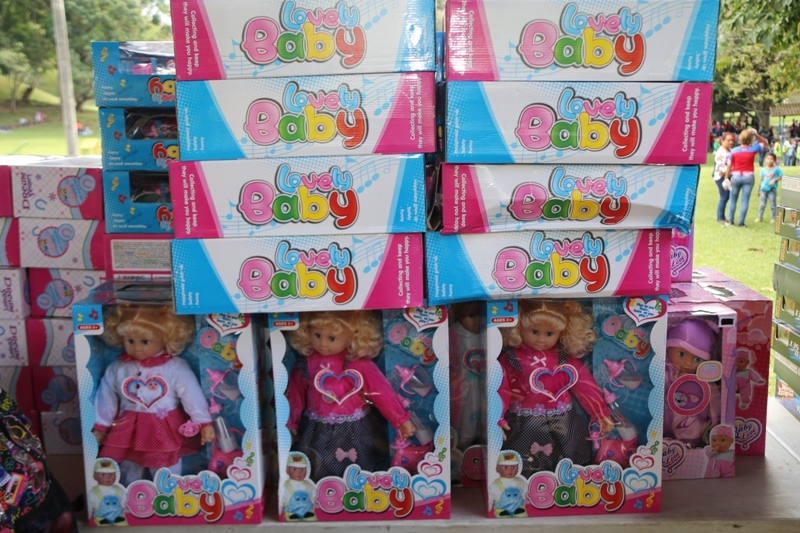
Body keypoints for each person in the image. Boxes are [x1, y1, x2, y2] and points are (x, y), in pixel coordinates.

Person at [286, 311, 415, 482]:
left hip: (355, 428)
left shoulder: (358, 364)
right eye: (317, 335)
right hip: (318, 427)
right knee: (318, 464)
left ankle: (357, 485)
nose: (323, 343)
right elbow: (295, 395)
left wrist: (400, 419)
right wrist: (291, 422)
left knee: (360, 462)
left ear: (353, 337)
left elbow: (382, 392)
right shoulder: (306, 365)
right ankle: (324, 488)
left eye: (332, 338)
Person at [92, 305, 215, 485]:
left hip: (163, 426)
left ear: (165, 338)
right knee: (128, 464)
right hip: (129, 427)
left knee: (165, 465)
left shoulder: (174, 366)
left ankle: (168, 492)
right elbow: (106, 396)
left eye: (145, 341)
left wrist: (203, 421)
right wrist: (101, 424)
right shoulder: (119, 367)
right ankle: (126, 493)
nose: (136, 348)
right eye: (130, 341)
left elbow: (191, 394)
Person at [497, 300, 613, 478]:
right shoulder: (511, 357)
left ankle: (565, 480)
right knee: (526, 461)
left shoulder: (564, 358)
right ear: (519, 327)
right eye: (534, 331)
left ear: (562, 333)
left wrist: (599, 412)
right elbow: (500, 388)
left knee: (566, 457)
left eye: (549, 334)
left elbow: (585, 386)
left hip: (563, 421)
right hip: (525, 422)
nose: (541, 339)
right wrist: (497, 417)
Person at [664, 319, 721, 448]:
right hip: (664, 419)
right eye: (681, 354)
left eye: (697, 359)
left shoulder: (703, 379)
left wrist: (716, 421)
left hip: (693, 423)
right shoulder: (665, 371)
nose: (688, 363)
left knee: (693, 432)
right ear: (668, 349)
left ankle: (689, 446)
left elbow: (714, 399)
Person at [726, 128, 768, 227]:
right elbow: (764, 142)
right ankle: (741, 222)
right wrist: (756, 135)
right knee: (745, 200)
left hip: (736, 176)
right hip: (748, 176)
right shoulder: (753, 149)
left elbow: (729, 166)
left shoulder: (734, 151)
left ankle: (730, 220)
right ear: (751, 139)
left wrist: (727, 177)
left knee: (733, 199)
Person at [87, 459, 127, 526]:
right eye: (103, 474)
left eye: (111, 474)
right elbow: (89, 507)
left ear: (116, 475)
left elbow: (126, 503)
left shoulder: (119, 490)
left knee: (124, 527)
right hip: (102, 519)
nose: (107, 477)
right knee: (103, 529)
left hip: (119, 518)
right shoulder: (93, 493)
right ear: (94, 476)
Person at [488, 451, 527, 518]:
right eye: (506, 467)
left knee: (523, 521)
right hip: (502, 513)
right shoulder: (494, 485)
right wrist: (488, 508)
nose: (510, 470)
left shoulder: (521, 482)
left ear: (518, 468)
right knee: (503, 521)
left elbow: (528, 494)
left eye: (513, 467)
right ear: (497, 469)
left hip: (520, 512)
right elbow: (489, 498)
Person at [282, 453, 317, 522]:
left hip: (308, 511)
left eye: (302, 470)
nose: (299, 473)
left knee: (312, 522)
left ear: (306, 471)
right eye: (294, 469)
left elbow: (315, 497)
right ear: (287, 470)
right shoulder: (285, 486)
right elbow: (282, 500)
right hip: (292, 512)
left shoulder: (309, 485)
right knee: (292, 523)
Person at [713, 132, 735, 225]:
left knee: (726, 196)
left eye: (732, 140)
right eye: (728, 140)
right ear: (722, 141)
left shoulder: (731, 150)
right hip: (721, 177)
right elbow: (721, 166)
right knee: (725, 196)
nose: (730, 142)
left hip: (728, 176)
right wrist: (730, 171)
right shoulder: (721, 152)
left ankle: (720, 216)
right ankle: (721, 217)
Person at [755, 152, 783, 223]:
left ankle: (773, 218)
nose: (769, 160)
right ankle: (759, 217)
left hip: (772, 190)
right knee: (762, 204)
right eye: (768, 158)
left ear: (774, 160)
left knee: (773, 204)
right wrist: (758, 189)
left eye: (771, 159)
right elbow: (760, 180)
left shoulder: (776, 169)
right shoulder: (763, 170)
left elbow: (781, 176)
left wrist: (775, 179)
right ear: (765, 159)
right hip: (763, 190)